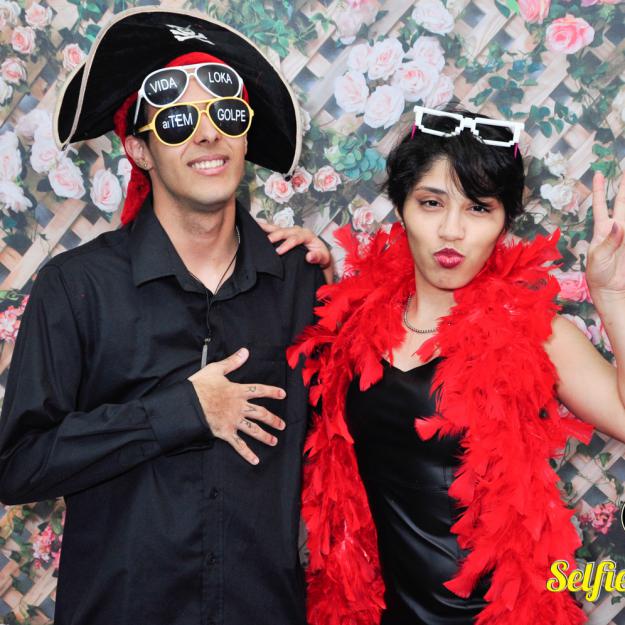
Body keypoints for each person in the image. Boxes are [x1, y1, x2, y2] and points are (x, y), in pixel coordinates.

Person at [0, 7, 331, 625]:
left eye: (225, 115)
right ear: (140, 151)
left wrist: (333, 276)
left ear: (244, 138)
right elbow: (18, 465)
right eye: (178, 121)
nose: (208, 136)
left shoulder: (302, 283)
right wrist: (182, 411)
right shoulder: (76, 287)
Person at [288, 104, 625, 625]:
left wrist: (613, 298)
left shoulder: (537, 331)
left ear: (504, 221)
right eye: (431, 202)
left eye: (478, 208)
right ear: (402, 207)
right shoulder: (354, 320)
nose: (451, 230)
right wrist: (291, 262)